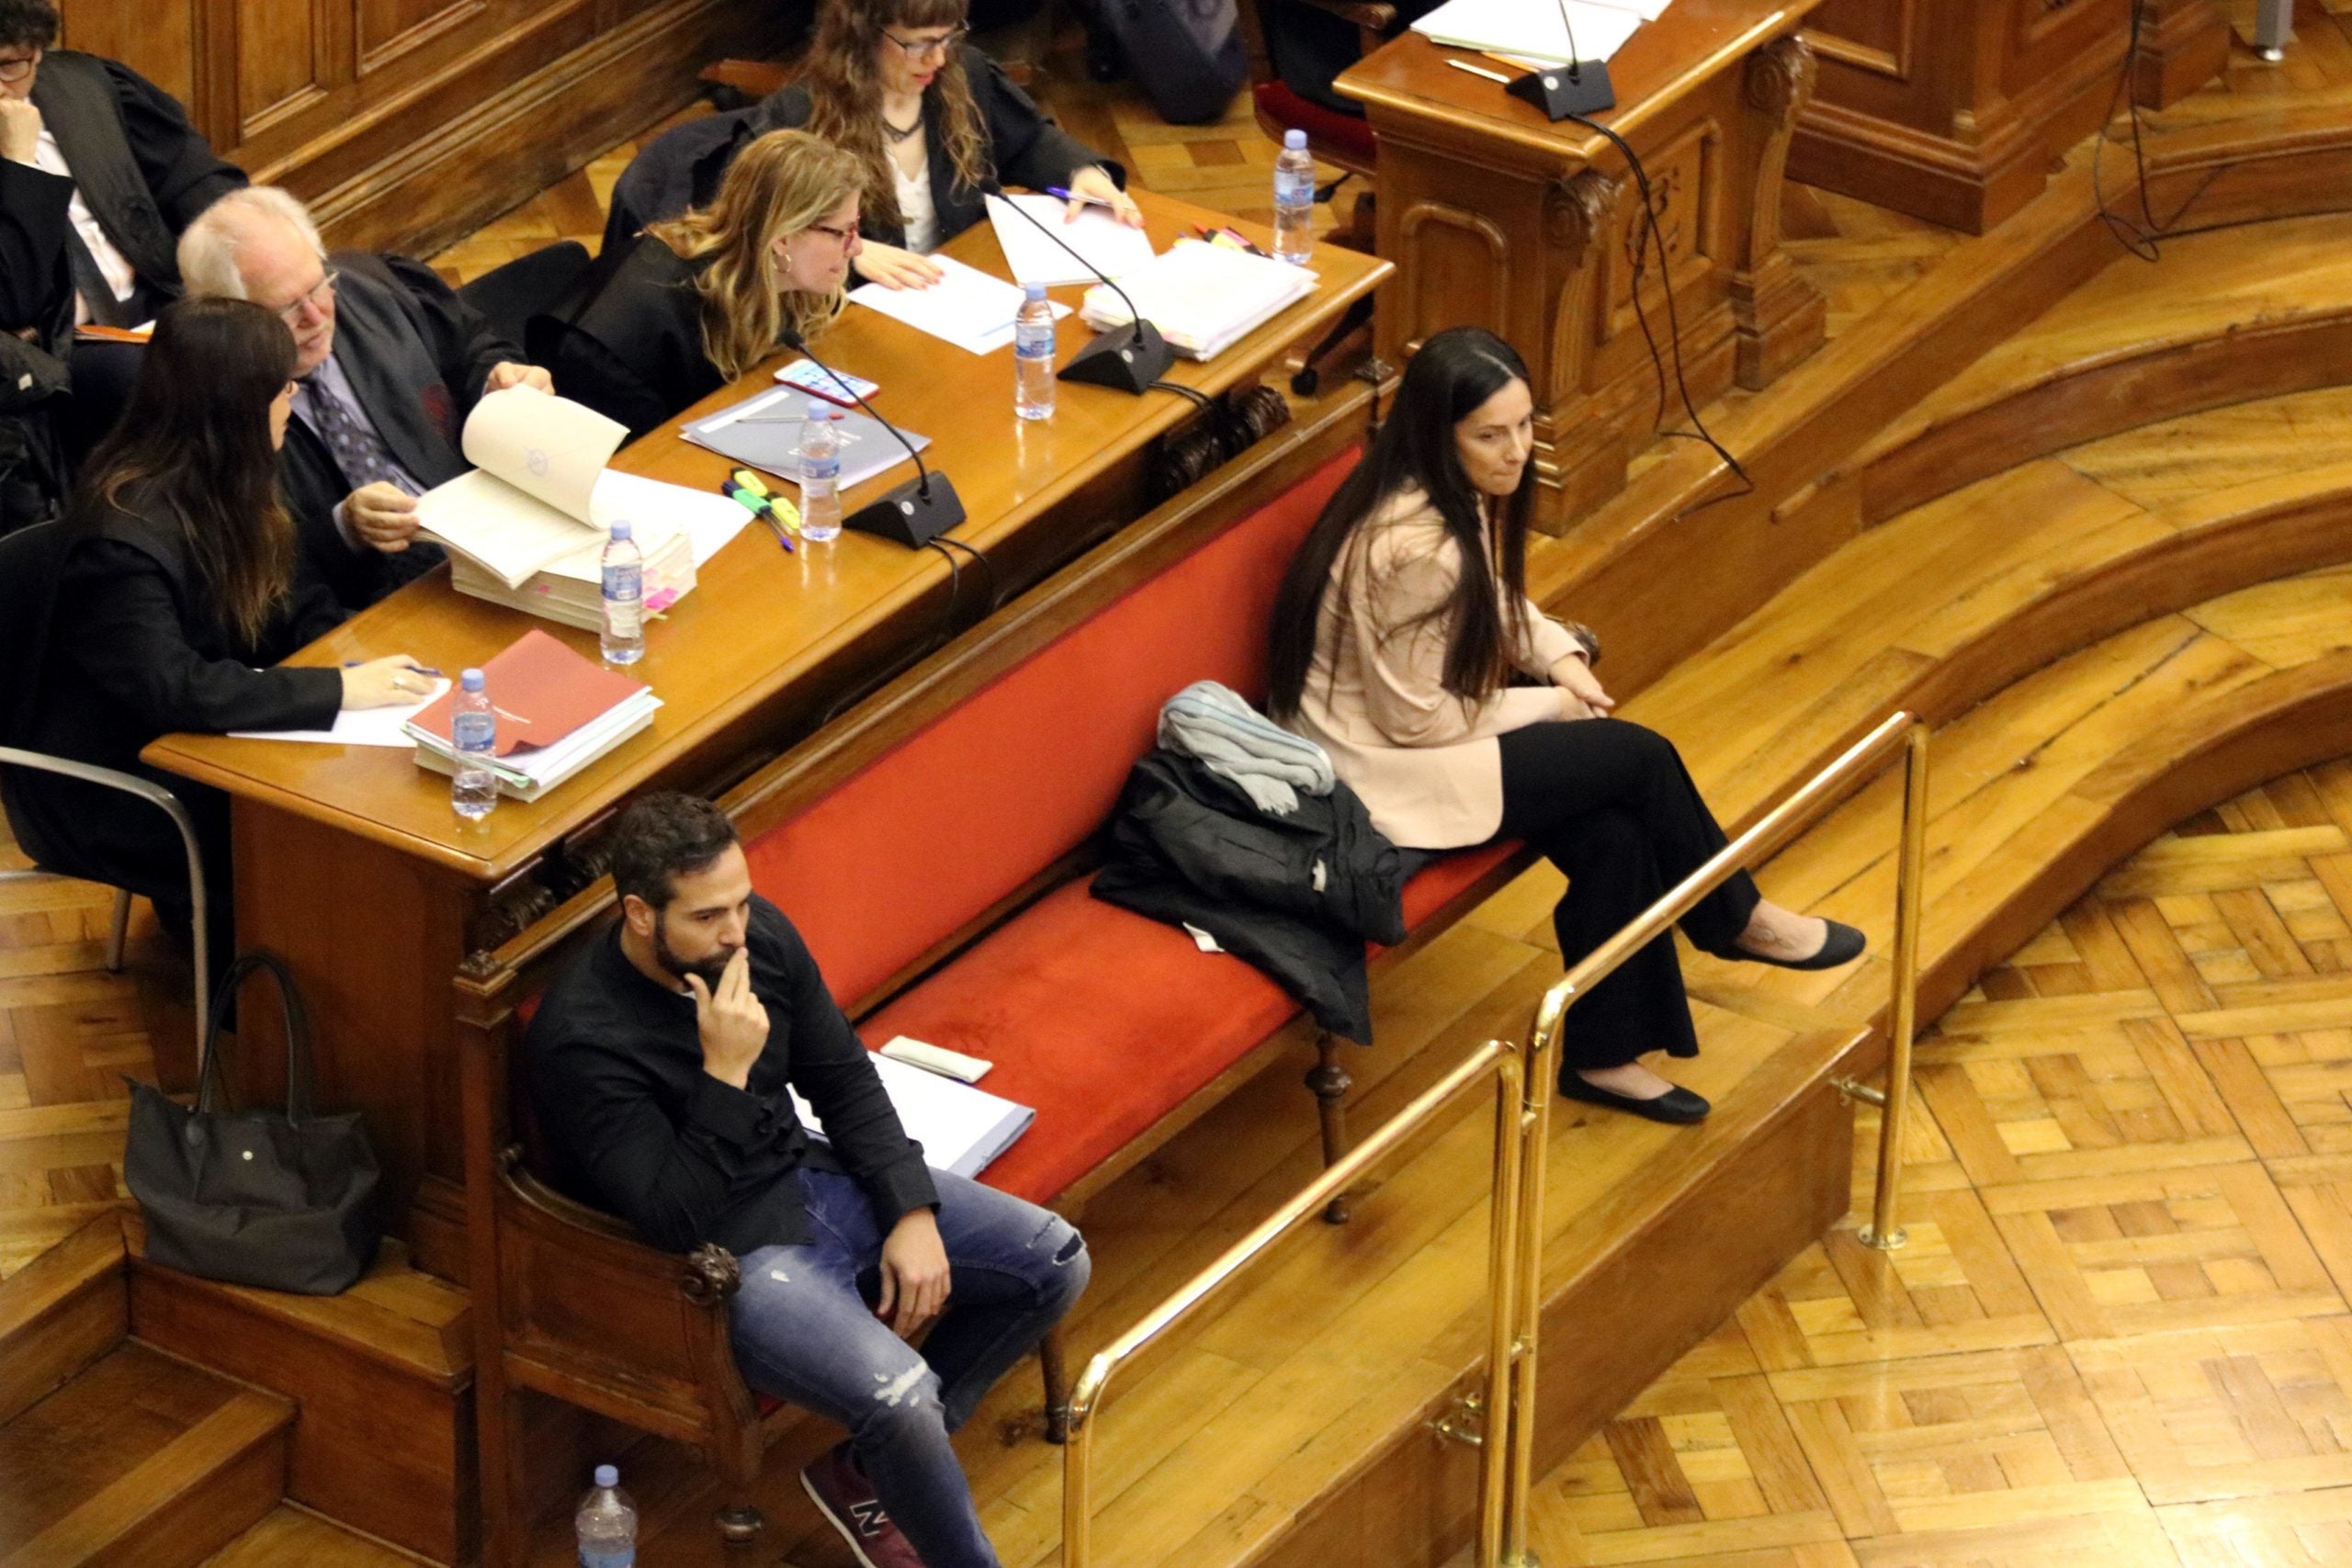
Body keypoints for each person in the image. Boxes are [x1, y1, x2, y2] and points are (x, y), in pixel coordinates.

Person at [1264, 328, 1866, 1124]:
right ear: (1437, 434)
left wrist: (1557, 659)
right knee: (1640, 759)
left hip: (1417, 734)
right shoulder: (1415, 547)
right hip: (1379, 770)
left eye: (1522, 425)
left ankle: (1605, 1054)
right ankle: (1736, 916)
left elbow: (1493, 605)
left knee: (1616, 831)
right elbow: (1416, 723)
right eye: (1490, 434)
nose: (1516, 451)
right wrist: (1550, 702)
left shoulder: (1441, 491)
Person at [526, 793, 1089, 1568]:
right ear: (640, 914)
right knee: (898, 1396)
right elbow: (669, 1219)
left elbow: (843, 1077)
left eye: (742, 903)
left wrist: (910, 1205)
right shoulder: (580, 1039)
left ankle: (863, 1474)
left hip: (814, 1174)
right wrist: (723, 1073)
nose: (735, 931)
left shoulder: (759, 938)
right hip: (733, 1255)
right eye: (708, 916)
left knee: (1054, 1260)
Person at [5, 299, 426, 952]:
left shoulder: (232, 472)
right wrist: (339, 692)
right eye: (283, 388)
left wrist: (343, 649)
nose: (293, 397)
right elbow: (175, 689)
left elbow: (286, 585)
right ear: (238, 407)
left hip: (200, 733)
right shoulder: (120, 541)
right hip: (120, 784)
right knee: (327, 826)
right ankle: (275, 986)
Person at [176, 187, 554, 609]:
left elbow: (470, 347)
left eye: (318, 287)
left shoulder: (373, 287)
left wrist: (498, 382)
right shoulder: (209, 412)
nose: (316, 318)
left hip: (495, 531)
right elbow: (254, 579)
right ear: (227, 317)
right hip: (370, 604)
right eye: (287, 309)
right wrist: (343, 530)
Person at [601, 0, 1135, 290]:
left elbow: (1028, 139)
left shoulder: (963, 76)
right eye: (918, 45)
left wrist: (1081, 173)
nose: (938, 60)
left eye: (948, 39)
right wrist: (853, 253)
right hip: (856, 307)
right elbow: (762, 237)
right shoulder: (801, 116)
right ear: (863, 33)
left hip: (955, 285)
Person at [0, 0, 246, 521]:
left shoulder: (87, 86)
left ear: (39, 55)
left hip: (160, 298)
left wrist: (243, 244)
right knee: (162, 378)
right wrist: (16, 166)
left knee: (318, 293)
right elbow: (15, 297)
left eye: (9, 67)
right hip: (67, 353)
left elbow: (190, 177)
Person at [548, 130, 864, 441]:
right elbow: (641, 459)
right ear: (782, 237)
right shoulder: (648, 319)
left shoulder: (773, 280)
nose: (857, 248)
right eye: (841, 233)